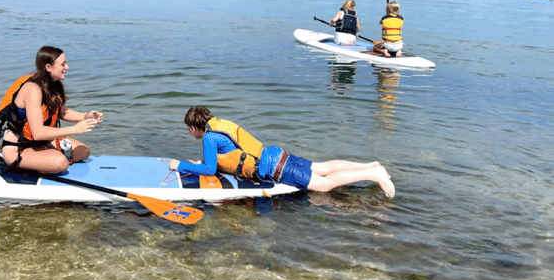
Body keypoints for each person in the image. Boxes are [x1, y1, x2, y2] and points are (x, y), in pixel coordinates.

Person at [168, 106, 395, 198]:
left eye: (189, 129)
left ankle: (374, 175)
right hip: (275, 154)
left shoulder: (208, 136)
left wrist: (180, 165)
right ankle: (372, 166)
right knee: (322, 167)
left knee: (323, 185)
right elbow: (230, 153)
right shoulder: (218, 125)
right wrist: (201, 161)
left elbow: (209, 169)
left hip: (274, 168)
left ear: (194, 126)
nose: (190, 134)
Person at [0, 46, 104, 174]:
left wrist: (86, 116)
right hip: (19, 147)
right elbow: (38, 133)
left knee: (83, 152)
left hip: (42, 142)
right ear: (48, 67)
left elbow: (62, 113)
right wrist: (74, 129)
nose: (67, 67)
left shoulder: (54, 84)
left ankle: (45, 157)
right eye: (63, 64)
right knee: (60, 163)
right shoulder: (32, 90)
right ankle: (32, 163)